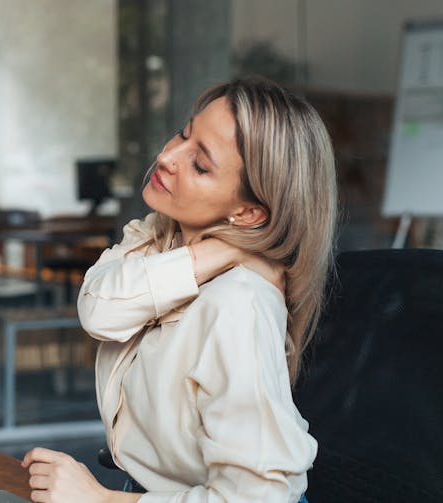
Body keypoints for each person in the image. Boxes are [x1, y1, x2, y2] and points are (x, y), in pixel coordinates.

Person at [22, 76, 337, 503]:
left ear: (247, 212)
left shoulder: (239, 305)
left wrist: (101, 500)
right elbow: (99, 309)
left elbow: (258, 499)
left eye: (200, 164)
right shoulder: (159, 237)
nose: (167, 156)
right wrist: (219, 253)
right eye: (183, 135)